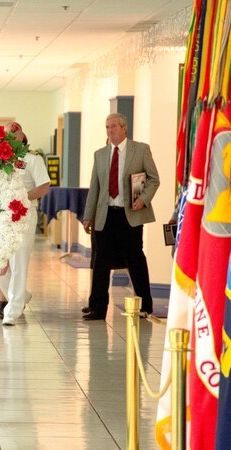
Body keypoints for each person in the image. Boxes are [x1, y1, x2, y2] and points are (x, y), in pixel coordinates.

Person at [81, 113, 159, 320]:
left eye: (113, 126)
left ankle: (144, 306)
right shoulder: (100, 154)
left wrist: (143, 199)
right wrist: (88, 216)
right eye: (107, 127)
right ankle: (97, 308)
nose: (110, 130)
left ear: (124, 128)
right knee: (100, 262)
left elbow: (153, 179)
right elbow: (94, 188)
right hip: (105, 215)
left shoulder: (140, 150)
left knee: (135, 259)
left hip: (130, 214)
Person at [0, 122, 50, 326]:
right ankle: (21, 296)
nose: (10, 138)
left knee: (18, 263)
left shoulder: (33, 159)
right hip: (1, 216)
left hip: (24, 214)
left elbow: (44, 186)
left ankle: (13, 311)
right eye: (6, 135)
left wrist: (22, 197)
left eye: (14, 135)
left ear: (22, 137)